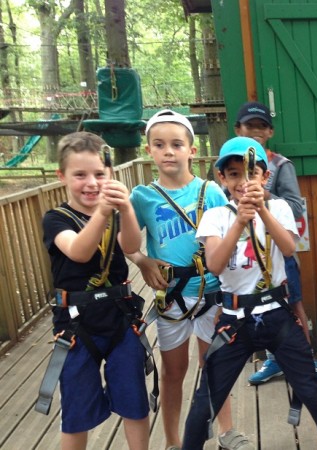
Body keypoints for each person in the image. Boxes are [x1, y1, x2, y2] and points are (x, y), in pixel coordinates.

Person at [182, 136, 317, 450]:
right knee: (207, 397)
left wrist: (262, 213)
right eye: (233, 174)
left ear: (264, 176)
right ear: (222, 178)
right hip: (234, 322)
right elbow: (215, 265)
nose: (243, 181)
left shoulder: (279, 207)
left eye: (251, 173)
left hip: (277, 315)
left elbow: (288, 247)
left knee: (310, 387)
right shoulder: (216, 217)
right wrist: (239, 220)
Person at [128, 110, 252, 450]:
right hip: (172, 299)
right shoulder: (142, 197)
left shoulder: (210, 192)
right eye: (160, 144)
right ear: (149, 150)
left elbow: (229, 235)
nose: (168, 151)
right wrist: (140, 260)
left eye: (176, 144)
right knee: (173, 372)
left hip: (210, 294)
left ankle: (226, 431)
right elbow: (125, 241)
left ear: (191, 151)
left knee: (216, 367)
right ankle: (172, 440)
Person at [41, 131, 150, 450]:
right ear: (62, 176)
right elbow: (78, 251)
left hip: (119, 320)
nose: (91, 183)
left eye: (99, 175)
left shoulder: (115, 214)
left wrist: (126, 209)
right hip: (75, 327)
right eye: (80, 175)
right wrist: (102, 213)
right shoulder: (56, 220)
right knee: (76, 410)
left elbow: (130, 245)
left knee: (134, 403)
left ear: (110, 175)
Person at [234, 101, 317, 386]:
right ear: (237, 129)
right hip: (246, 255)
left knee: (294, 305)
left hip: (279, 251)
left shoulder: (279, 165)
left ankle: (307, 359)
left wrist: (262, 196)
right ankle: (274, 361)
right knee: (261, 307)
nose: (255, 131)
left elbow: (295, 207)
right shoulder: (230, 164)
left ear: (270, 131)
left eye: (261, 126)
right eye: (249, 126)